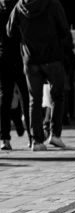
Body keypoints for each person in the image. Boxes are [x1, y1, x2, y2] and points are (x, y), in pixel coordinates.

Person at [6, 0, 70, 151]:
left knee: (34, 100)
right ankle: (55, 134)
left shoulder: (20, 6)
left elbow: (10, 31)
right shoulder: (53, 3)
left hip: (30, 59)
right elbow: (64, 31)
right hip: (52, 57)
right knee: (57, 97)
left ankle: (37, 141)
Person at [0, 0, 30, 150]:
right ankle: (32, 138)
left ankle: (4, 138)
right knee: (26, 97)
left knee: (5, 99)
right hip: (21, 56)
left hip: (3, 57)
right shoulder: (21, 7)